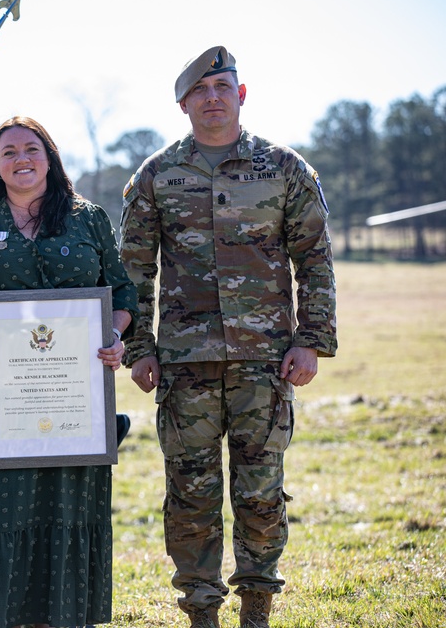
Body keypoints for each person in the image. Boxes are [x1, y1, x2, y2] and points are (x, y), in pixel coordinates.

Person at [119, 46, 337, 628]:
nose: (212, 98)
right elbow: (132, 272)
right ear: (183, 103)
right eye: (200, 90)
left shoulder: (284, 169)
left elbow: (314, 259)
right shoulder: (157, 176)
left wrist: (310, 340)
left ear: (241, 94)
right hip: (184, 365)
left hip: (265, 363)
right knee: (190, 496)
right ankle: (201, 612)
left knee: (261, 493)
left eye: (222, 86)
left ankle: (257, 608)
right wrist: (139, 350)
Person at [0, 116, 138, 628]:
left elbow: (124, 293)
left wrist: (113, 336)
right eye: (9, 153)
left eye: (31, 148)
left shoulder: (89, 219)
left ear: (50, 156)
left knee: (64, 511)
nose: (22, 159)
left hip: (75, 404)